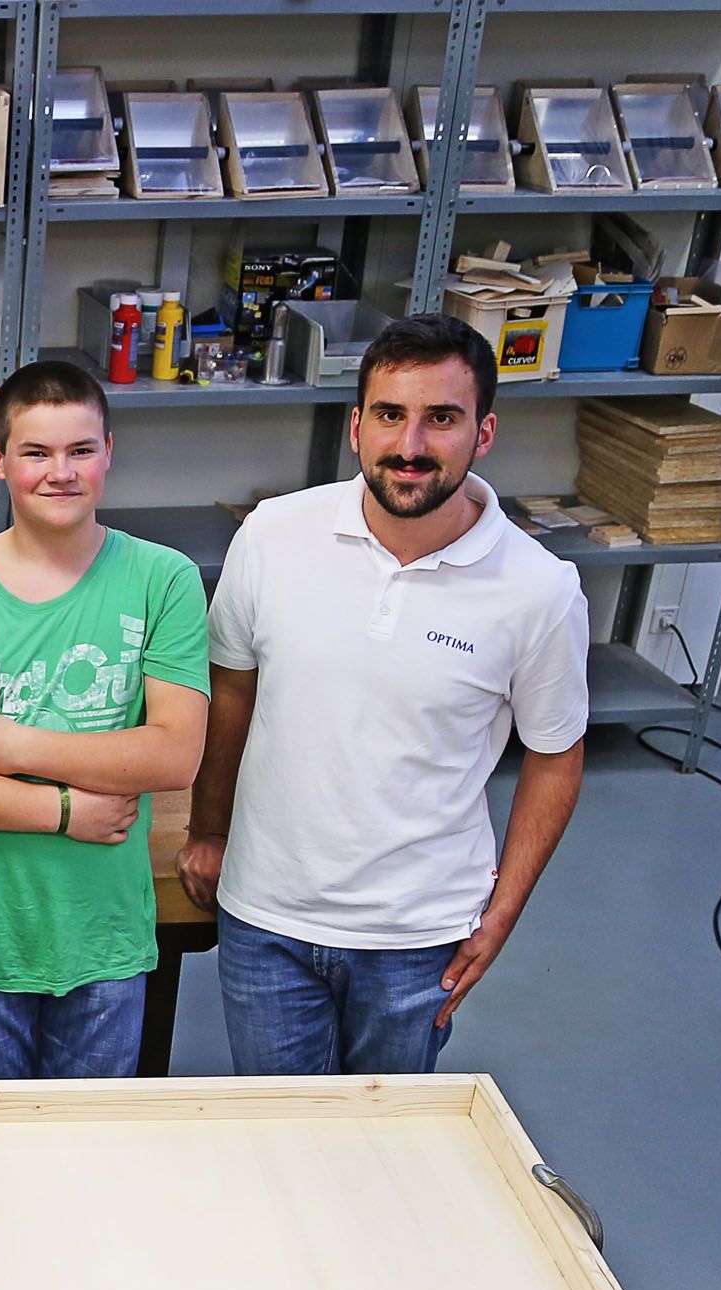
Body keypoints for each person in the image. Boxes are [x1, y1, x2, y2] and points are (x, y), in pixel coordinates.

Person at [180, 313, 587, 1075]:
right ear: (356, 426)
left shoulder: (540, 590)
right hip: (266, 916)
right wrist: (207, 829)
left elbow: (556, 756)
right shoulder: (272, 535)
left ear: (484, 433)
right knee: (277, 1131)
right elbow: (231, 689)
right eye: (391, 415)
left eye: (442, 419)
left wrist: (501, 913)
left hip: (418, 939)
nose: (411, 445)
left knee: (383, 1139)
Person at [0, 360, 209, 1080]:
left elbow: (174, 754)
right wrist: (65, 812)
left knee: (88, 1142)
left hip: (101, 930)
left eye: (80, 450)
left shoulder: (163, 579)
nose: (60, 473)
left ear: (108, 453)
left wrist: (17, 745)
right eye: (36, 452)